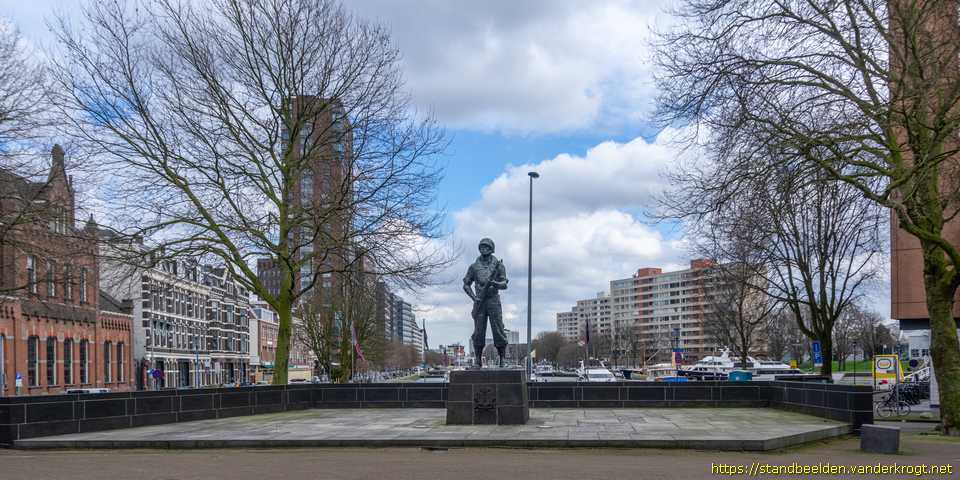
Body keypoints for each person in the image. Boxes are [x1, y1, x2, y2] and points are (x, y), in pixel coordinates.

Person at [463, 238, 508, 367]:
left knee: (498, 329)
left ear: (491, 249)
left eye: (487, 247)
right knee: (478, 331)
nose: (484, 249)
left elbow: (504, 284)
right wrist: (474, 297)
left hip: (493, 300)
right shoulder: (474, 267)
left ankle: (502, 359)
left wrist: (495, 283)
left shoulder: (499, 266)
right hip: (480, 302)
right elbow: (466, 284)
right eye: (482, 247)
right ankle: (478, 359)